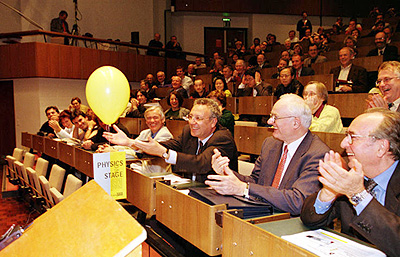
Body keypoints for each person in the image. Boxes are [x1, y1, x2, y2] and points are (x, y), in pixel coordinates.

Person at [206, 94, 330, 216]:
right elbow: (255, 181)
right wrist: (227, 173)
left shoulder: (317, 154)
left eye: (275, 117)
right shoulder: (271, 144)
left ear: (295, 123)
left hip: (291, 222)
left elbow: (297, 201)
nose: (270, 121)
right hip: (262, 213)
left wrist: (244, 188)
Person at [300, 108, 400, 257]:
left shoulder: (354, 185)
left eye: (353, 137)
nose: (343, 144)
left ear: (381, 147)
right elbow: (310, 220)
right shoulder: (352, 175)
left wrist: (357, 194)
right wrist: (328, 192)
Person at [104, 98, 238, 183]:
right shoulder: (188, 132)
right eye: (191, 117)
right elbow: (165, 145)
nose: (192, 122)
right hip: (188, 189)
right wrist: (130, 143)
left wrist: (164, 153)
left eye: (199, 118)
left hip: (216, 195)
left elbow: (201, 164)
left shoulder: (222, 138)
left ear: (213, 122)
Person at [98, 106, 173, 155]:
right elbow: (131, 146)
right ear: (146, 121)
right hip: (142, 168)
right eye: (149, 118)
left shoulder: (165, 135)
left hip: (156, 173)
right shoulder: (144, 133)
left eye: (155, 117)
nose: (152, 121)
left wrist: (116, 153)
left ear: (163, 119)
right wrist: (113, 148)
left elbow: (142, 153)